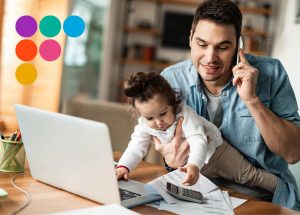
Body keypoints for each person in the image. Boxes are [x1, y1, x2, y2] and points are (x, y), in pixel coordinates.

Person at [152, 0, 300, 210]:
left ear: (239, 46)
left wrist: (252, 100)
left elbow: (294, 153)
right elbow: (168, 148)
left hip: (262, 197)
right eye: (202, 44)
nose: (210, 58)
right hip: (197, 193)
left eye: (223, 47)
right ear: (190, 39)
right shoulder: (171, 80)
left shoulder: (271, 74)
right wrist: (170, 160)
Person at [116, 71, 277, 193]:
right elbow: (136, 146)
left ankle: (281, 188)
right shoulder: (144, 124)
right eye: (149, 118)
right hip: (194, 167)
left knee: (249, 176)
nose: (158, 123)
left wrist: (193, 165)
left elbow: (198, 140)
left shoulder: (184, 113)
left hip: (216, 153)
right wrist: (124, 167)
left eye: (163, 113)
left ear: (172, 103)